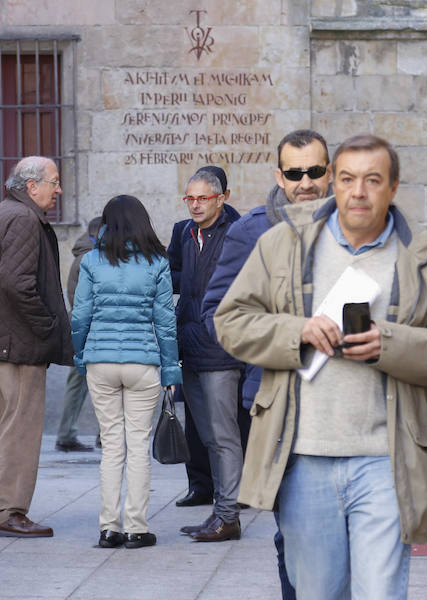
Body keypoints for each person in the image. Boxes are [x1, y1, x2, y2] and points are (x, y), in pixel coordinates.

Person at [214, 134, 427, 598]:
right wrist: (294, 331)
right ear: (334, 183)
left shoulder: (424, 257)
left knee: (380, 592)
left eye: (373, 180)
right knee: (319, 592)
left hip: (387, 460)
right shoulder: (284, 243)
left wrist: (389, 344)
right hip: (304, 459)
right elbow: (230, 322)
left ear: (393, 187)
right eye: (348, 179)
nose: (359, 192)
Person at [201, 128, 333, 599]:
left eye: (315, 171)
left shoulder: (359, 225)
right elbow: (219, 316)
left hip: (346, 404)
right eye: (295, 173)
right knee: (294, 533)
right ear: (279, 175)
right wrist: (292, 336)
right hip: (279, 404)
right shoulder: (251, 229)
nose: (306, 182)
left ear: (330, 172)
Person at [0, 156, 74, 538]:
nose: (58, 190)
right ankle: (9, 512)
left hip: (1, 340)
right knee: (21, 428)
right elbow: (17, 283)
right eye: (54, 182)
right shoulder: (24, 219)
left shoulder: (3, 213)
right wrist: (47, 326)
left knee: (4, 425)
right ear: (31, 186)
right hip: (19, 341)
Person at [71, 195, 181, 549]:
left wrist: (80, 355)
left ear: (106, 223)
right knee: (137, 446)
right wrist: (171, 373)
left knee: (112, 447)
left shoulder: (91, 261)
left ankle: (109, 528)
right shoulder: (156, 262)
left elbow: (80, 317)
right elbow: (166, 324)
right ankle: (136, 527)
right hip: (143, 364)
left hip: (100, 363)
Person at [171, 166, 244, 542]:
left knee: (224, 434)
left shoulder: (239, 233)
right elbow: (174, 275)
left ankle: (229, 514)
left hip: (222, 349)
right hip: (190, 346)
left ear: (222, 198)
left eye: (202, 198)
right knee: (208, 436)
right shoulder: (185, 232)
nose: (195, 205)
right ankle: (220, 511)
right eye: (190, 199)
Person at [56, 215, 103, 453]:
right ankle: (70, 434)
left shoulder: (86, 255)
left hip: (84, 328)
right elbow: (83, 299)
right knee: (90, 383)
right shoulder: (89, 258)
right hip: (89, 330)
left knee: (86, 382)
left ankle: (69, 433)